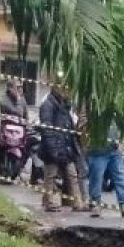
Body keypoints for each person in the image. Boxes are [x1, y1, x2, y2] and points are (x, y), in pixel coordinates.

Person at [37, 79, 86, 212]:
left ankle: (77, 202)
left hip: (65, 146)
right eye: (64, 88)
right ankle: (48, 201)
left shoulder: (64, 106)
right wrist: (53, 149)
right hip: (52, 147)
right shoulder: (47, 105)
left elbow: (68, 127)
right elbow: (46, 129)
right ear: (56, 89)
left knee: (72, 175)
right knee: (50, 176)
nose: (66, 92)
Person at [85, 113, 124, 217]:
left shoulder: (116, 101)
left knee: (120, 177)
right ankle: (95, 204)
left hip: (114, 148)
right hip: (98, 149)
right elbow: (83, 122)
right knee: (96, 177)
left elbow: (121, 121)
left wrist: (121, 139)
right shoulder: (91, 102)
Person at [0, 80, 29, 184]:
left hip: (20, 131)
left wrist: (27, 124)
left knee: (27, 146)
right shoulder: (4, 100)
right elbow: (17, 112)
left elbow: (25, 114)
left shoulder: (22, 99)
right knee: (0, 147)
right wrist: (18, 100)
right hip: (7, 131)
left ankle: (20, 168)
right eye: (17, 87)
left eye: (21, 87)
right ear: (10, 88)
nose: (20, 89)